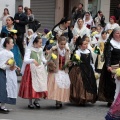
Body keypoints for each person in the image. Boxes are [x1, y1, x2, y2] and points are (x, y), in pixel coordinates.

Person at [19, 36, 47, 109]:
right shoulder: (29, 50)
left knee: (40, 84)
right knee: (31, 85)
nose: (41, 44)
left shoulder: (40, 49)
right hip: (31, 69)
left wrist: (47, 62)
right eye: (40, 42)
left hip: (40, 69)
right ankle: (30, 102)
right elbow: (25, 60)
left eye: (41, 42)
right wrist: (32, 60)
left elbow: (42, 58)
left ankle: (36, 101)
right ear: (35, 43)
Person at [69, 35, 97, 105]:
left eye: (87, 44)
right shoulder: (77, 52)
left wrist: (93, 69)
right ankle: (81, 98)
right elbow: (75, 62)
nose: (86, 45)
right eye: (84, 44)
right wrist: (76, 61)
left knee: (89, 83)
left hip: (88, 69)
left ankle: (87, 98)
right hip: (80, 69)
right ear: (80, 45)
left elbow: (91, 61)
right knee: (80, 83)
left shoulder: (89, 51)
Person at [98, 27, 120, 107]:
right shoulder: (110, 43)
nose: (119, 35)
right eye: (117, 33)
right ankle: (111, 100)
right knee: (112, 84)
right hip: (112, 66)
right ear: (113, 34)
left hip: (119, 66)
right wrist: (108, 65)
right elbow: (107, 56)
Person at [47, 36, 71, 108]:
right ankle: (57, 101)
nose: (63, 46)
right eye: (61, 44)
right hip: (56, 70)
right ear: (58, 43)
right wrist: (52, 65)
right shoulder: (54, 49)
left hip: (63, 70)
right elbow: (48, 59)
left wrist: (69, 63)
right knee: (56, 86)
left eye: (64, 44)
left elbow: (68, 59)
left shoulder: (67, 50)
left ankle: (60, 100)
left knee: (62, 86)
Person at [0, 37, 18, 114]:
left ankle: (2, 106)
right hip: (3, 73)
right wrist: (8, 65)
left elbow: (12, 63)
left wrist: (15, 66)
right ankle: (2, 107)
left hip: (9, 73)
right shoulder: (3, 53)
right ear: (7, 44)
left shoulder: (11, 53)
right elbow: (1, 65)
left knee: (7, 89)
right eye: (11, 43)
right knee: (3, 89)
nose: (13, 44)